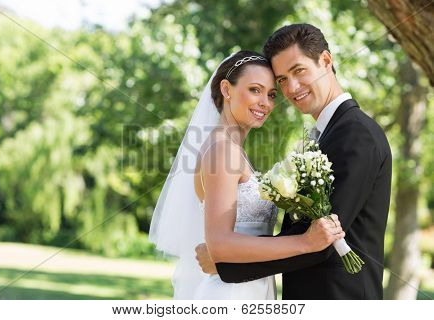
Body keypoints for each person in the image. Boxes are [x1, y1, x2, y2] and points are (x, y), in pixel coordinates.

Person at [196, 24, 392, 300]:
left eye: (298, 71)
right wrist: (224, 253)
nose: (292, 88)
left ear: (325, 61)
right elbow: (308, 237)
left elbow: (323, 241)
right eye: (283, 80)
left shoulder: (355, 134)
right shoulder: (327, 134)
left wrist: (226, 263)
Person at [150, 50, 344, 299]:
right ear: (226, 89)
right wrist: (306, 242)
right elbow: (220, 245)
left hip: (251, 287)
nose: (266, 102)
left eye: (271, 94)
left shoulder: (232, 150)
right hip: (232, 293)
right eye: (255, 89)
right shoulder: (222, 151)